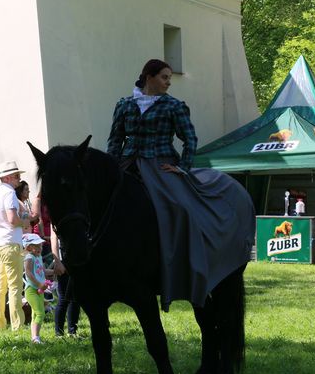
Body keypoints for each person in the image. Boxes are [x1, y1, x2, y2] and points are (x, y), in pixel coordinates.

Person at [107, 58, 252, 310]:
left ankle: (185, 264)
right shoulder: (124, 105)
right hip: (127, 165)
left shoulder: (174, 106)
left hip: (161, 166)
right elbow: (115, 139)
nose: (167, 83)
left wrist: (182, 167)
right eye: (164, 77)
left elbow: (190, 139)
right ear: (148, 76)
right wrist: (111, 168)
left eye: (169, 79)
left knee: (179, 208)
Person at [0, 160, 31, 330]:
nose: (19, 179)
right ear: (8, 177)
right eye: (17, 175)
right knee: (15, 286)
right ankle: (17, 325)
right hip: (11, 244)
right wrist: (24, 222)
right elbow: (12, 220)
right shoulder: (10, 193)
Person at [22, 233, 54, 344]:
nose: (39, 248)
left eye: (40, 246)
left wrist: (55, 271)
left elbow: (43, 271)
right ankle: (36, 338)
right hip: (31, 290)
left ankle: (35, 338)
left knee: (35, 314)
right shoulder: (29, 257)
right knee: (40, 313)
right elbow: (28, 273)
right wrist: (39, 284)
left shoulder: (38, 257)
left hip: (39, 290)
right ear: (28, 247)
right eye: (36, 246)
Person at [51, 229, 81, 337]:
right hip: (63, 261)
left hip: (77, 260)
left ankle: (72, 331)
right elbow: (53, 237)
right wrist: (57, 261)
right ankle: (59, 333)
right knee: (63, 298)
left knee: (76, 297)